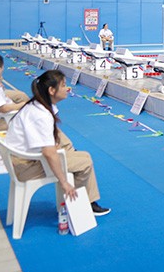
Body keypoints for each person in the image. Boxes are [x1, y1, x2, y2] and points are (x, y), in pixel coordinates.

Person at [6, 70, 110, 215]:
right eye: (63, 85)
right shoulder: (41, 115)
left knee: (73, 147)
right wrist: (64, 182)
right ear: (51, 90)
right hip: (26, 167)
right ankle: (83, 204)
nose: (67, 89)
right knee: (85, 162)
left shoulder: (37, 104)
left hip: (22, 158)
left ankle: (87, 199)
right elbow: (48, 153)